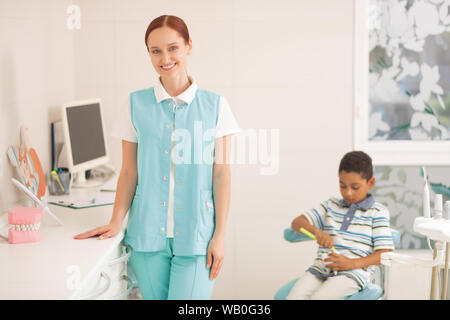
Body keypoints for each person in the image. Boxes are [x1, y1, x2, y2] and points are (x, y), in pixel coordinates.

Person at [74, 15, 240, 300]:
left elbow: (222, 173)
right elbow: (128, 171)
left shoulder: (215, 106)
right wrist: (116, 221)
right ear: (149, 53)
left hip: (197, 236)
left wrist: (220, 235)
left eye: (173, 47)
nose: (165, 58)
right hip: (147, 236)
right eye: (156, 50)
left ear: (189, 46)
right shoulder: (135, 104)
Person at [286, 151, 395, 300]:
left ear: (370, 183)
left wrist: (351, 263)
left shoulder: (378, 212)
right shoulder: (330, 205)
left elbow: (384, 253)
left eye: (355, 187)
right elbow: (297, 223)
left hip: (352, 273)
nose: (348, 193)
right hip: (319, 270)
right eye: (342, 186)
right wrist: (317, 232)